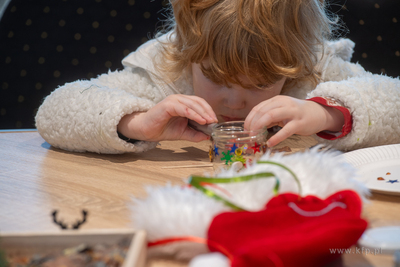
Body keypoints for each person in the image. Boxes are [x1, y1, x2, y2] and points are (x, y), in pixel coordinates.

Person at [35, 0, 400, 154]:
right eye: (214, 76)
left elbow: (393, 101)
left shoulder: (314, 72)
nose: (234, 101)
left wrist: (328, 114)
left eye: (259, 82)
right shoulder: (165, 72)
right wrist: (137, 122)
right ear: (188, 53)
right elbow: (54, 113)